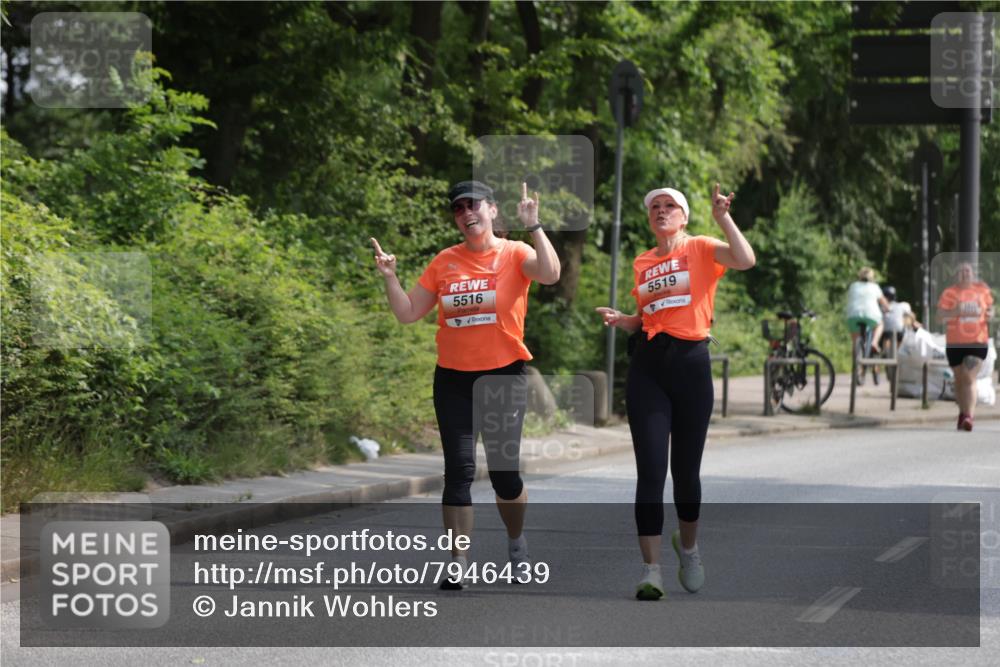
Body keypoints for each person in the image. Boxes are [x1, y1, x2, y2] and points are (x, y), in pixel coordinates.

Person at [371, 180, 560, 588]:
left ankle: (516, 542)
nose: (465, 212)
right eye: (458, 208)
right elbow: (408, 314)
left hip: (503, 377)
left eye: (473, 204)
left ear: (492, 210)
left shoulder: (516, 253)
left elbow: (550, 273)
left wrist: (535, 225)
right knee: (457, 472)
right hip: (454, 379)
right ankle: (458, 561)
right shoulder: (445, 261)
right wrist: (390, 276)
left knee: (504, 477)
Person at [595, 183, 755, 600]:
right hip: (649, 367)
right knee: (650, 473)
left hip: (690, 366)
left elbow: (745, 259)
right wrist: (625, 320)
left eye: (670, 206)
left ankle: (689, 548)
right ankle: (651, 572)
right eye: (655, 208)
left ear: (683, 217)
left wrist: (723, 218)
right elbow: (652, 316)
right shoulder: (643, 261)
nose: (661, 211)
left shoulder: (701, 247)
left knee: (685, 474)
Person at [936, 262, 995, 431]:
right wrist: (955, 311)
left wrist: (991, 313)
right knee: (959, 379)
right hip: (955, 342)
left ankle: (969, 416)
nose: (965, 274)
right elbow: (940, 317)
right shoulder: (950, 293)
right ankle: (962, 413)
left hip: (977, 341)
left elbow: (990, 310)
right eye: (961, 272)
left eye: (968, 271)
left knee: (969, 377)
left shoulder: (982, 291)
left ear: (973, 275)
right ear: (957, 276)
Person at [845, 267, 889, 382]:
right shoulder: (875, 287)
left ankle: (856, 366)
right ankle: (874, 342)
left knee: (855, 342)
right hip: (871, 315)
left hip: (853, 315)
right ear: (872, 277)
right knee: (880, 324)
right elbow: (884, 303)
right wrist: (888, 308)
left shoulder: (853, 285)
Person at [880, 285, 914, 353]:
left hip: (886, 333)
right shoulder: (903, 305)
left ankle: (884, 353)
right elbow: (911, 316)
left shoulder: (882, 307)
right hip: (901, 332)